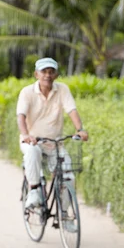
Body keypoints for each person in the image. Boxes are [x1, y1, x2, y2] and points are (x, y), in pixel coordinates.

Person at [17, 57, 89, 209]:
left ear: (55, 75)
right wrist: (25, 135)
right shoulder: (27, 92)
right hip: (33, 141)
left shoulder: (62, 89)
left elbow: (72, 110)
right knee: (32, 152)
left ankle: (64, 215)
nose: (47, 75)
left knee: (68, 177)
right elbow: (21, 116)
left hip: (55, 143)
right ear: (36, 74)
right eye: (44, 72)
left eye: (51, 72)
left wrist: (80, 129)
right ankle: (34, 190)